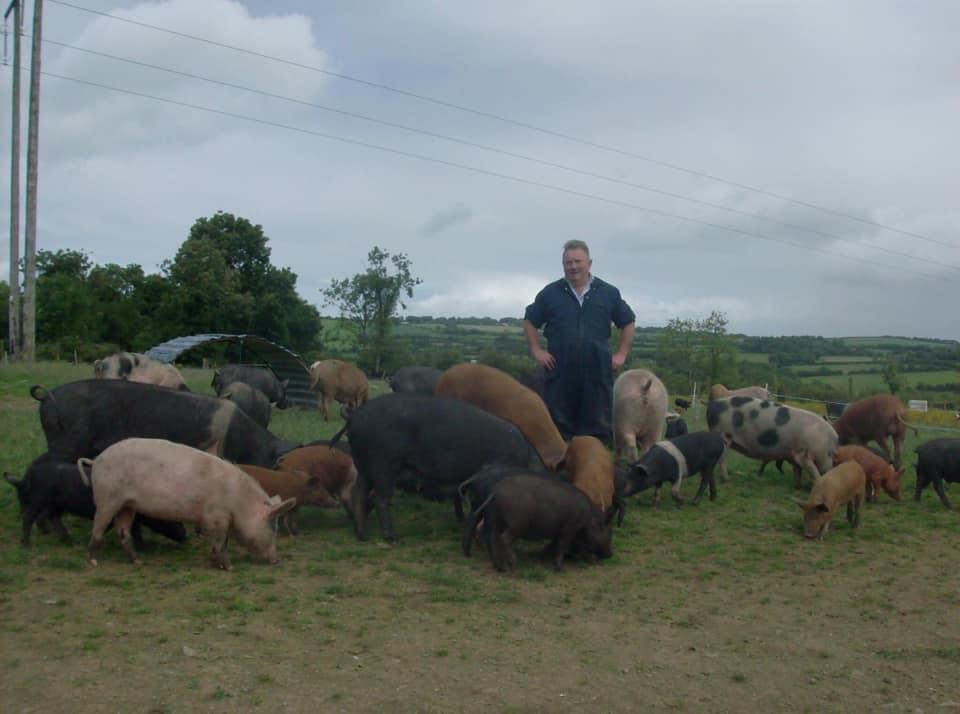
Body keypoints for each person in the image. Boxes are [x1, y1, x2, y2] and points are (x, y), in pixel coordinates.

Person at [523, 240, 636, 444]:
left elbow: (627, 322)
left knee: (595, 431)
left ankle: (592, 470)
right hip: (559, 373)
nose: (573, 267)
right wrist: (536, 350)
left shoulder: (608, 293)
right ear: (563, 265)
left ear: (589, 263)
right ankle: (560, 472)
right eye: (568, 262)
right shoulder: (550, 293)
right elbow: (530, 320)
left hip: (597, 373)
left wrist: (621, 354)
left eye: (578, 261)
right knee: (558, 430)